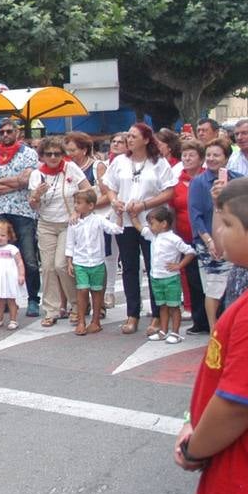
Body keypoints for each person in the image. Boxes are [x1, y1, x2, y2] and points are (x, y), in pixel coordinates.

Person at [174, 175, 248, 494]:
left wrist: (195, 448)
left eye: (225, 223)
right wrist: (191, 419)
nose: (218, 231)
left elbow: (237, 403)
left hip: (242, 477)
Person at [100, 122, 176, 335]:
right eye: (128, 137)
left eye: (134, 136)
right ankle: (132, 313)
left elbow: (169, 191)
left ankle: (157, 315)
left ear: (145, 139)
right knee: (130, 267)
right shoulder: (120, 162)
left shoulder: (158, 162)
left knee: (154, 266)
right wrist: (114, 201)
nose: (129, 140)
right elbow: (109, 186)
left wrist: (144, 205)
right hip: (125, 220)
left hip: (150, 221)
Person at [28, 136, 90, 326]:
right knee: (46, 267)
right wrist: (36, 196)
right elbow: (32, 204)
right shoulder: (36, 174)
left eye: (57, 153)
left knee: (61, 265)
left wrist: (77, 211)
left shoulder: (70, 168)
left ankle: (76, 305)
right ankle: (51, 310)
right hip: (46, 223)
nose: (54, 157)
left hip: (67, 224)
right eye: (49, 154)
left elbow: (87, 190)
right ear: (42, 156)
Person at [0, 119, 42, 318]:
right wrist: (14, 183)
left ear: (17, 132)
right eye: (2, 131)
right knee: (1, 258)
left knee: (28, 257)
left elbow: (26, 180)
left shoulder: (29, 154)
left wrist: (1, 181)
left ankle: (33, 298)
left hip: (23, 211)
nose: (5, 134)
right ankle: (4, 300)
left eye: (9, 131)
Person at [66, 131, 116, 309]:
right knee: (80, 260)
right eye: (68, 150)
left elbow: (106, 194)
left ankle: (103, 298)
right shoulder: (68, 167)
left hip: (97, 219)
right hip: (77, 222)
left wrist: (87, 207)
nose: (69, 154)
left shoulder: (97, 167)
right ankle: (82, 302)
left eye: (73, 150)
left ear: (84, 149)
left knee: (101, 259)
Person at [64, 188, 123, 336]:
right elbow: (70, 244)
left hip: (97, 262)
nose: (76, 206)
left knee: (97, 291)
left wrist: (119, 215)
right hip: (80, 262)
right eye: (75, 203)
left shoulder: (98, 220)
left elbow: (115, 229)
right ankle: (81, 321)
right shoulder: (73, 223)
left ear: (90, 205)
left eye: (79, 203)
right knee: (82, 289)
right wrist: (69, 262)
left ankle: (96, 321)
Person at [190, 140, 233, 333]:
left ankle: (231, 326)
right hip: (207, 242)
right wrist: (209, 241)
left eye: (217, 155)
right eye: (209, 155)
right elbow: (195, 215)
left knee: (233, 287)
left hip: (232, 242)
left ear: (226, 157)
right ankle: (213, 328)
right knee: (213, 287)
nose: (212, 159)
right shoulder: (198, 182)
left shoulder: (237, 180)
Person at [142, 205, 196, 345]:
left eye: (152, 224)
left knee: (174, 306)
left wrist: (179, 265)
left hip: (171, 278)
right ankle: (163, 331)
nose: (150, 227)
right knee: (162, 306)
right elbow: (140, 229)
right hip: (156, 277)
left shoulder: (173, 238)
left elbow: (190, 252)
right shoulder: (154, 236)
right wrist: (134, 216)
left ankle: (175, 332)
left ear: (164, 223)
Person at [222, 118, 248, 307]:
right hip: (240, 219)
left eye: (244, 133)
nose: (240, 138)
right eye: (237, 134)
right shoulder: (233, 160)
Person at [174, 139, 209, 333]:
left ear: (201, 159)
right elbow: (172, 210)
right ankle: (199, 320)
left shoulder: (207, 179)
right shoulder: (177, 182)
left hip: (205, 237)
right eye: (184, 155)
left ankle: (214, 318)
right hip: (184, 237)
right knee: (192, 279)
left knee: (209, 280)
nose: (187, 158)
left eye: (191, 155)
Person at [0, 218, 26, 330]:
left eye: (3, 235)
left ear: (9, 236)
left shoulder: (12, 249)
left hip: (10, 278)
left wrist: (21, 275)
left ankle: (13, 320)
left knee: (11, 299)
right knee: (0, 300)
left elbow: (20, 262)